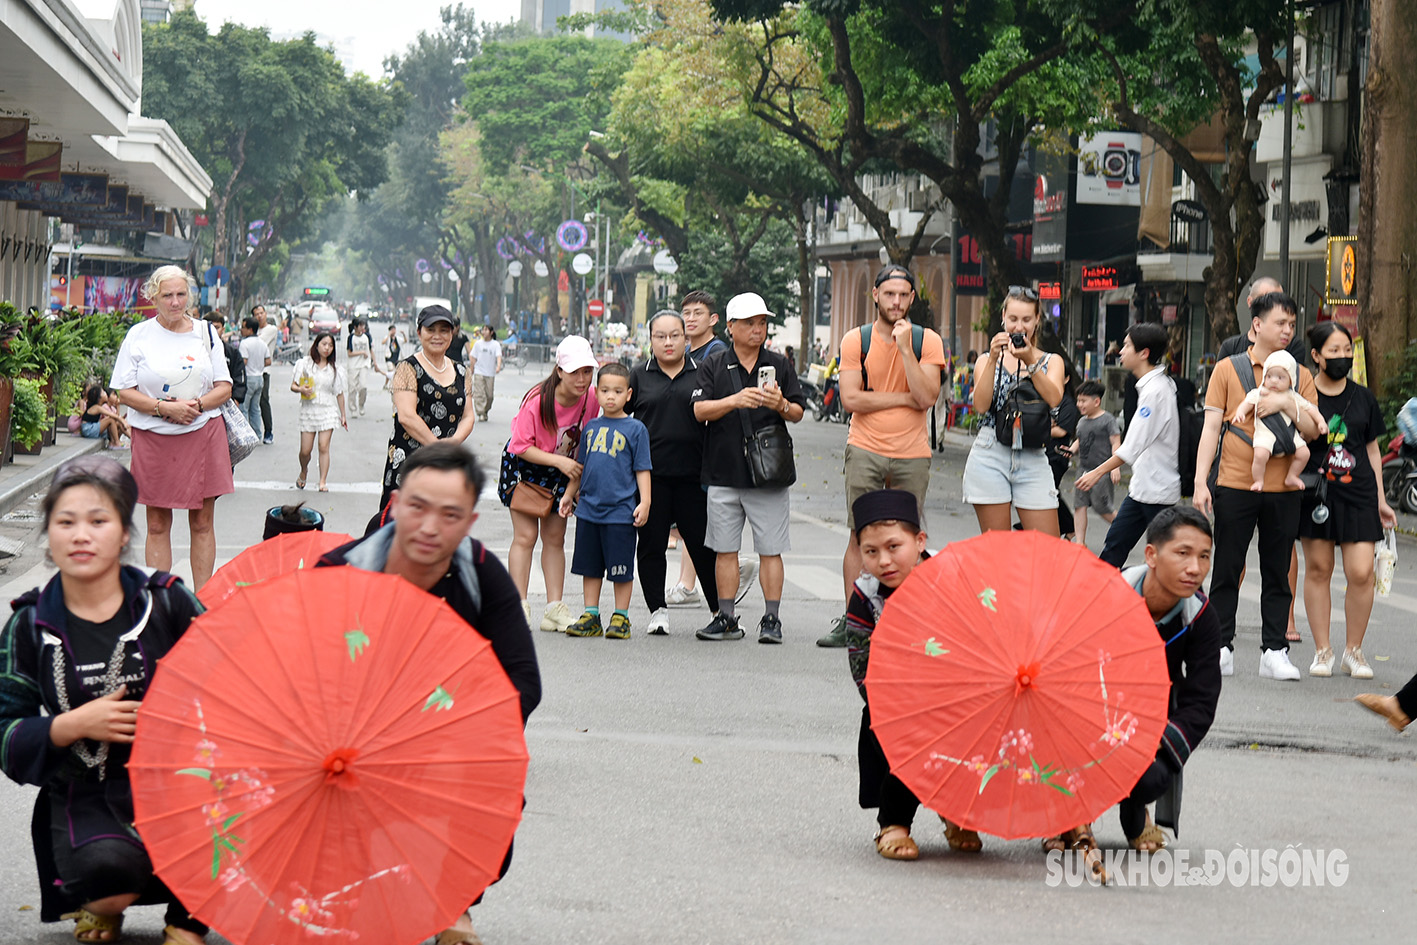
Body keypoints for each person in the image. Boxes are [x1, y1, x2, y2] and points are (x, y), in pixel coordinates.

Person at [316, 442, 540, 945]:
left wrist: (448, 731)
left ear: (470, 522)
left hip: (443, 736)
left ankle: (452, 904)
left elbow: (523, 683)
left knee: (496, 799)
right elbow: (295, 674)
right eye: (417, 507)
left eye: (450, 514)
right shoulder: (338, 574)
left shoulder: (482, 576)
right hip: (341, 744)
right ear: (393, 505)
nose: (430, 527)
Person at [0, 456, 209, 944]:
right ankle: (101, 900)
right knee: (108, 877)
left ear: (123, 534)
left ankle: (189, 914)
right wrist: (73, 724)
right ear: (48, 534)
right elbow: (6, 734)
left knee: (253, 813)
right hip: (87, 791)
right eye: (66, 522)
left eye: (98, 521)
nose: (81, 535)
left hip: (186, 787)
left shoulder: (170, 601)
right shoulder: (31, 623)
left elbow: (235, 682)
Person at [1192, 291, 1322, 680]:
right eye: (1280, 323)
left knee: (1278, 570)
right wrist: (1201, 481)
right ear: (1257, 325)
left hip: (1284, 486)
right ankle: (1220, 646)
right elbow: (1211, 427)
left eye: (1291, 324)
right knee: (1228, 567)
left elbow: (1316, 432)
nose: (1287, 330)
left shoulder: (1301, 375)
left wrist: (1285, 404)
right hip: (1234, 482)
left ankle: (1275, 651)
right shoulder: (1229, 369)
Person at [818, 265, 945, 649]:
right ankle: (853, 619)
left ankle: (906, 619)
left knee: (907, 539)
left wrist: (905, 349)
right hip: (865, 448)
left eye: (904, 295)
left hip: (912, 453)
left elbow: (927, 396)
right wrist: (904, 398)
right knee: (861, 535)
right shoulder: (856, 340)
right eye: (889, 294)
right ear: (875, 295)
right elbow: (851, 399)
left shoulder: (927, 341)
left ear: (911, 298)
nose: (896, 302)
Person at [842, 489, 955, 859]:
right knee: (900, 743)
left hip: (956, 693)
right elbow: (861, 658)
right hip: (894, 697)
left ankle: (958, 813)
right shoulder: (866, 594)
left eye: (894, 547)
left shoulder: (951, 580)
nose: (884, 561)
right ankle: (893, 824)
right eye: (871, 552)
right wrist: (892, 702)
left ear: (920, 541)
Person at [691, 292, 807, 644]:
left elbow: (799, 412)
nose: (758, 329)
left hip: (768, 474)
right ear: (730, 327)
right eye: (749, 323)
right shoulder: (714, 364)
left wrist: (782, 404)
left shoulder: (778, 363)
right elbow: (699, 411)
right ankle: (726, 617)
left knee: (770, 549)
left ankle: (771, 619)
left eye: (762, 323)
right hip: (723, 470)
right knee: (725, 549)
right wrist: (734, 401)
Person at [110, 266, 233, 592]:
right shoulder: (139, 335)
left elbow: (224, 386)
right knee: (158, 522)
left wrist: (198, 406)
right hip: (153, 438)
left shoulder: (206, 333)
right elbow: (124, 390)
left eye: (181, 294)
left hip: (203, 432)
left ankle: (202, 601)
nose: (176, 302)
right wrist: (165, 408)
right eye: (167, 295)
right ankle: (161, 601)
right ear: (153, 297)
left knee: (203, 522)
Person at [1116, 505, 1222, 851]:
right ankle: (1068, 817)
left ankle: (1136, 810)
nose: (1195, 568)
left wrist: (1156, 744)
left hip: (1150, 720)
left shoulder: (1200, 616)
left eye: (1204, 556)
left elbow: (1201, 699)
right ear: (1151, 555)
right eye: (1183, 553)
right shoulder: (1108, 594)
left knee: (1153, 776)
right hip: (1090, 707)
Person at [1298, 321, 1396, 679]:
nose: (1342, 357)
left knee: (1361, 572)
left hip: (1359, 493)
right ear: (1316, 356)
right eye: (1334, 351)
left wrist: (1382, 500)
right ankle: (1323, 650)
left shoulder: (1364, 397)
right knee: (1319, 570)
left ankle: (1353, 651)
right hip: (1318, 494)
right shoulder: (1303, 396)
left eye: (1346, 350)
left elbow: (1372, 449)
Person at [628, 311, 723, 636]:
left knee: (701, 545)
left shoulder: (703, 374)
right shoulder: (639, 375)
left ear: (686, 338)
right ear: (650, 339)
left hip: (694, 476)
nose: (668, 342)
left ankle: (720, 611)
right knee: (652, 545)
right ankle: (658, 610)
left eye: (674, 336)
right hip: (649, 478)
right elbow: (620, 419)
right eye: (660, 336)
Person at [500, 336, 600, 632]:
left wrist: (572, 487)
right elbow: (520, 446)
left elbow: (585, 444)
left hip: (565, 471)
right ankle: (518, 604)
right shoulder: (537, 400)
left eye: (587, 371)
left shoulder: (591, 398)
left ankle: (554, 608)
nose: (581, 379)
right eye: (574, 372)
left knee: (555, 538)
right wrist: (559, 463)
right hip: (526, 468)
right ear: (559, 370)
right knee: (526, 536)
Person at [962, 285, 1066, 535]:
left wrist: (1030, 361)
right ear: (1003, 318)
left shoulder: (1051, 360)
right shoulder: (986, 359)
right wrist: (993, 360)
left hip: (1033, 454)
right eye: (1013, 319)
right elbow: (981, 405)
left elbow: (1054, 398)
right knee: (998, 551)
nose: (1019, 327)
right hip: (990, 452)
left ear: (1037, 320)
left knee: (1048, 549)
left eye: (1026, 320)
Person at [560, 363, 652, 639]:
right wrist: (568, 494)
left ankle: (621, 617)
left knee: (621, 568)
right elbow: (581, 467)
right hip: (588, 511)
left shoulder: (636, 429)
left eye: (618, 391)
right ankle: (591, 614)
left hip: (620, 513)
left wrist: (645, 502)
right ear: (596, 394)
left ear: (628, 394)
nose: (611, 396)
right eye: (605, 390)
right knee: (590, 566)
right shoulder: (589, 428)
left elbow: (642, 469)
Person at [1079, 323, 1182, 568]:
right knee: (1114, 546)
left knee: (1167, 558)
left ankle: (1192, 604)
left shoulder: (1155, 392)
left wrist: (1096, 472)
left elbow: (1130, 447)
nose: (1121, 351)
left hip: (1157, 492)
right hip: (1142, 489)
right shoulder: (1156, 386)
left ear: (1144, 353)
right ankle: (1100, 601)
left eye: (1126, 346)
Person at [378, 306, 475, 514]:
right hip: (410, 462)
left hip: (446, 463)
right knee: (400, 528)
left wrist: (453, 443)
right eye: (431, 330)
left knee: (440, 527)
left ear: (452, 334)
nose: (437, 336)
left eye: (444, 330)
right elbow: (406, 416)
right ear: (419, 332)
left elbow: (468, 416)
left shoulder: (461, 371)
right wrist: (438, 448)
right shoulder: (407, 368)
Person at [1230, 350, 1323, 491]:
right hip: (1265, 433)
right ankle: (1258, 480)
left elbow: (1311, 409)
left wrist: (1321, 422)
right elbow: (1247, 402)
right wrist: (1240, 413)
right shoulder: (1260, 392)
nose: (1274, 380)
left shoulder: (1293, 396)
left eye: (1280, 378)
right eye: (1269, 376)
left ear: (1291, 380)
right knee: (1260, 455)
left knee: (1304, 454)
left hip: (1290, 435)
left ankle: (1292, 475)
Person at [290, 332, 347, 493]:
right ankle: (304, 470)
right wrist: (301, 389)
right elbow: (293, 385)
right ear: (317, 345)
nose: (327, 348)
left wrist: (343, 415)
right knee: (305, 450)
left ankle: (322, 481)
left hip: (328, 409)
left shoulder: (335, 369)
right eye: (324, 344)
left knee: (324, 446)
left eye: (330, 345)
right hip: (309, 409)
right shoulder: (305, 364)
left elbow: (339, 393)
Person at [1069, 380, 1120, 547]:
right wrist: (1070, 451)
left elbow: (1115, 443)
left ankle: (1124, 529)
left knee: (1102, 507)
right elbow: (1079, 440)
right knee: (1079, 505)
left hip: (1101, 472)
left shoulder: (1108, 420)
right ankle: (1080, 542)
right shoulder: (1082, 421)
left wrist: (1116, 467)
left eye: (1083, 401)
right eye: (1078, 400)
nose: (1079, 404)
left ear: (1096, 401)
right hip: (1083, 469)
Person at [1216, 276, 1308, 364]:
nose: (1272, 304)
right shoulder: (1230, 349)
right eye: (1266, 299)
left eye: (1279, 300)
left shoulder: (1294, 346)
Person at [238, 316, 269, 441]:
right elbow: (269, 360)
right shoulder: (262, 343)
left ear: (250, 330)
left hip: (248, 378)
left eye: (243, 327)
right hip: (259, 378)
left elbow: (244, 361)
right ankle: (257, 434)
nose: (241, 330)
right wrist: (259, 365)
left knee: (244, 408)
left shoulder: (244, 343)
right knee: (255, 408)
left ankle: (246, 435)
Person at [253, 305, 278, 443]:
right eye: (256, 314)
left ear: (265, 313)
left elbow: (257, 344)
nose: (259, 316)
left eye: (261, 313)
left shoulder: (271, 329)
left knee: (263, 401)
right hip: (250, 371)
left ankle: (268, 432)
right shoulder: (254, 330)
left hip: (263, 370)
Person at [75, 383, 127, 449]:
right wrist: (123, 421)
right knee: (110, 420)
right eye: (103, 392)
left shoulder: (99, 407)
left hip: (90, 428)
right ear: (99, 398)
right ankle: (117, 442)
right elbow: (113, 415)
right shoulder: (97, 407)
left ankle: (113, 442)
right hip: (88, 429)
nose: (106, 394)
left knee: (111, 420)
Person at [682, 289, 727, 363]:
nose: (691, 319)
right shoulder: (685, 351)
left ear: (713, 319)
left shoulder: (718, 353)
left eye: (698, 313)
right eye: (687, 313)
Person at [471, 324, 503, 422]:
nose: (483, 332)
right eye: (483, 330)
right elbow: (473, 357)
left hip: (490, 373)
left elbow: (498, 356)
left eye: (486, 330)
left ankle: (485, 411)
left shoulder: (495, 344)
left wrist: (498, 366)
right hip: (479, 371)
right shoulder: (478, 344)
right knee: (479, 393)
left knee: (489, 395)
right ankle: (480, 413)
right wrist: (471, 369)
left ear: (491, 332)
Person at [345, 318, 375, 418]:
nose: (363, 328)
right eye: (360, 325)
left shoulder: (367, 337)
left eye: (363, 325)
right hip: (353, 365)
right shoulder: (351, 338)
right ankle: (353, 408)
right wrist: (361, 352)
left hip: (364, 365)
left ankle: (361, 405)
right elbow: (349, 353)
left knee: (363, 386)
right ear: (355, 327)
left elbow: (371, 350)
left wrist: (374, 362)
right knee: (352, 388)